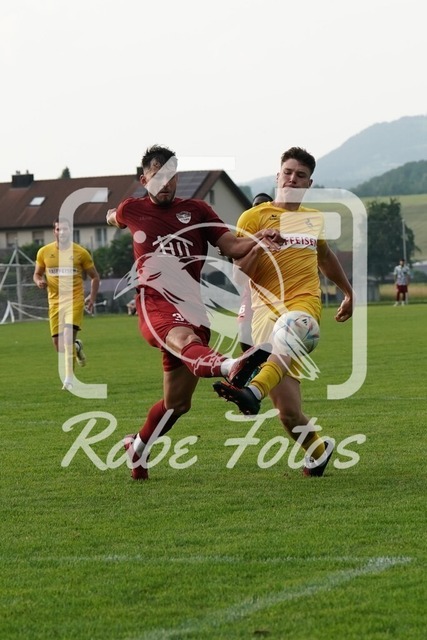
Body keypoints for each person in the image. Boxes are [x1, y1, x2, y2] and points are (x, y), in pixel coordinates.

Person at [106, 145, 283, 480]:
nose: (165, 182)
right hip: (155, 304)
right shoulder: (133, 208)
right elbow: (116, 216)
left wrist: (259, 237)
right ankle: (232, 365)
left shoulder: (198, 210)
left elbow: (232, 247)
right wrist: (112, 217)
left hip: (193, 309)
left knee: (177, 404)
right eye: (157, 176)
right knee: (186, 341)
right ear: (144, 180)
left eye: (171, 176)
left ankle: (138, 446)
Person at [214, 147, 355, 477]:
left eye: (301, 175)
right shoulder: (253, 218)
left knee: (292, 328)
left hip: (304, 307)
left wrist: (349, 292)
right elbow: (239, 276)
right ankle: (318, 451)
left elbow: (324, 257)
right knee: (288, 413)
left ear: (309, 183)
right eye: (288, 172)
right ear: (278, 176)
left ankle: (252, 391)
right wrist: (260, 244)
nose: (293, 178)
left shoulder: (313, 219)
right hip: (265, 316)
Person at [33, 219, 100, 390]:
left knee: (68, 337)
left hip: (74, 300)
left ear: (70, 231)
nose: (61, 232)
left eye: (65, 229)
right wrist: (39, 281)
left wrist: (92, 298)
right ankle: (77, 347)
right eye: (58, 229)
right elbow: (37, 274)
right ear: (54, 231)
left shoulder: (81, 253)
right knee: (59, 346)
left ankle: (69, 379)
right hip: (55, 302)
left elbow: (94, 277)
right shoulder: (44, 252)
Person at [238, 193, 273, 351]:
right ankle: (250, 362)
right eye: (255, 205)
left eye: (263, 205)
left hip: (274, 290)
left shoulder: (277, 232)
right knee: (244, 332)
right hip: (251, 289)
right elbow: (235, 254)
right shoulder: (247, 232)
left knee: (272, 337)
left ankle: (269, 363)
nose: (259, 208)